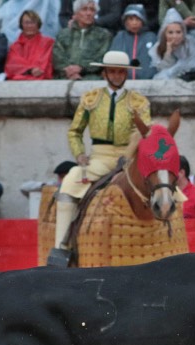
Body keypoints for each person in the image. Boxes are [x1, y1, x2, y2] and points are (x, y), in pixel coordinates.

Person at [49, 50, 151, 265]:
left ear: (126, 74)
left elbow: (145, 133)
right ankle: (61, 249)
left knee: (168, 188)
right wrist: (79, 154)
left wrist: (132, 153)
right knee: (70, 182)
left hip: (130, 157)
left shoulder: (139, 101)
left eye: (120, 72)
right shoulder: (91, 98)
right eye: (112, 71)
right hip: (100, 158)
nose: (116, 75)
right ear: (104, 73)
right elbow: (75, 131)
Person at [53, 0, 113, 80]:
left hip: (92, 77)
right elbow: (58, 57)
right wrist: (70, 72)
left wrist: (81, 68)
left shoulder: (103, 35)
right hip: (64, 76)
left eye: (92, 10)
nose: (89, 13)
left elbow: (101, 58)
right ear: (76, 13)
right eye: (84, 9)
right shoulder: (63, 34)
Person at [4, 9, 55, 80]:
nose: (30, 25)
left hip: (41, 80)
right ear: (21, 25)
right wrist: (30, 70)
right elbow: (11, 66)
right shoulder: (15, 46)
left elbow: (47, 64)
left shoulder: (48, 42)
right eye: (27, 23)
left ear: (38, 24)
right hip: (19, 82)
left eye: (33, 22)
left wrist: (37, 70)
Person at [151, 7, 195, 79]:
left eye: (178, 32)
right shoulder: (158, 47)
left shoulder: (190, 43)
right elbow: (162, 69)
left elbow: (193, 64)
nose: (175, 36)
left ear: (183, 33)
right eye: (170, 33)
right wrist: (168, 53)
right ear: (165, 34)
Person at [110, 4, 156, 79]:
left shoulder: (151, 37)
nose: (134, 23)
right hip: (122, 81)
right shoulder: (120, 37)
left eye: (138, 19)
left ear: (143, 21)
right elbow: (112, 60)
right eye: (131, 19)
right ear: (125, 21)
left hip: (147, 81)